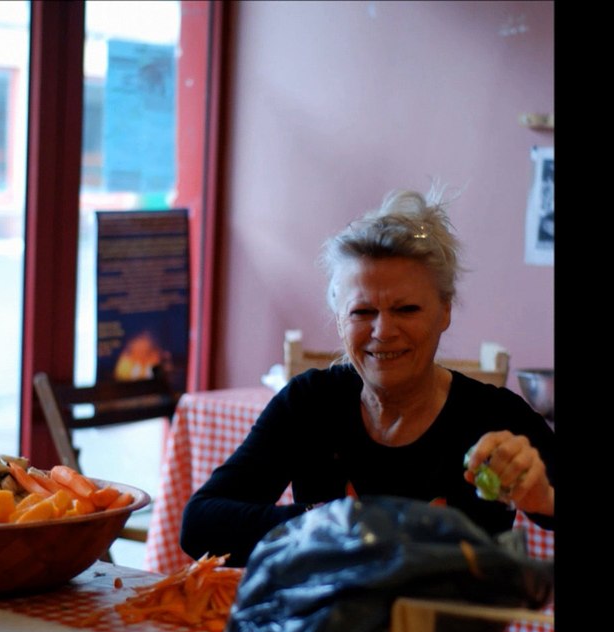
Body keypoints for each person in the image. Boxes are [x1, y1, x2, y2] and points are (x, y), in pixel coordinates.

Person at [179, 185, 555, 567]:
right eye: (362, 312)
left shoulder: (495, 418)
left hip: (452, 627)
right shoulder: (310, 403)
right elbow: (200, 524)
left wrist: (543, 498)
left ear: (445, 311)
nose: (383, 331)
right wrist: (326, 524)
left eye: (406, 309)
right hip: (325, 625)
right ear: (338, 316)